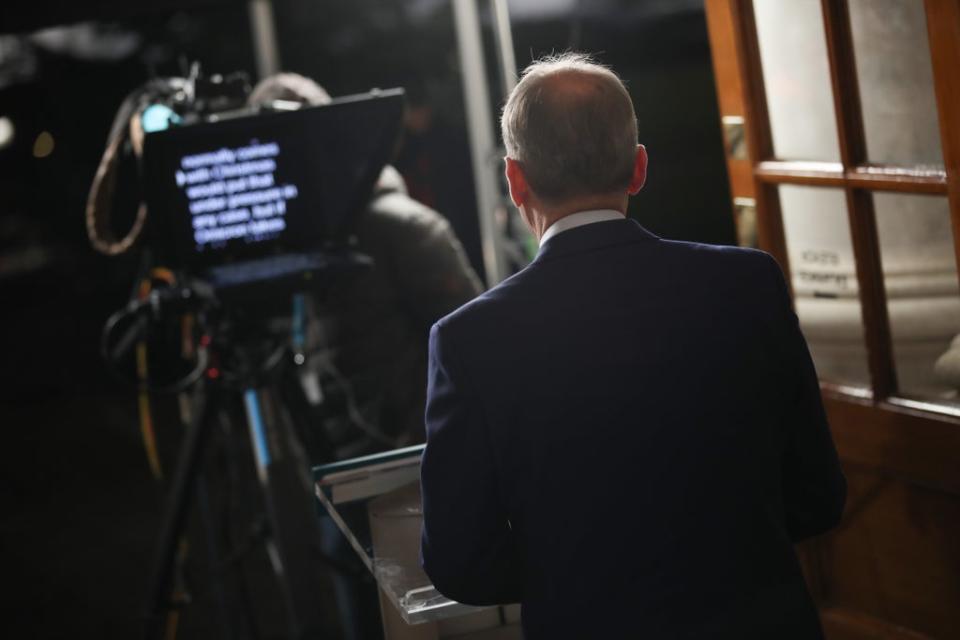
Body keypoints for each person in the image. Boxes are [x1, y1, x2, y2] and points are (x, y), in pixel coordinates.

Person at [419, 53, 846, 639]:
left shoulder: (469, 341)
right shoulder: (747, 285)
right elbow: (818, 496)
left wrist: (574, 572)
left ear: (515, 180)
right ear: (638, 167)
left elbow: (461, 565)